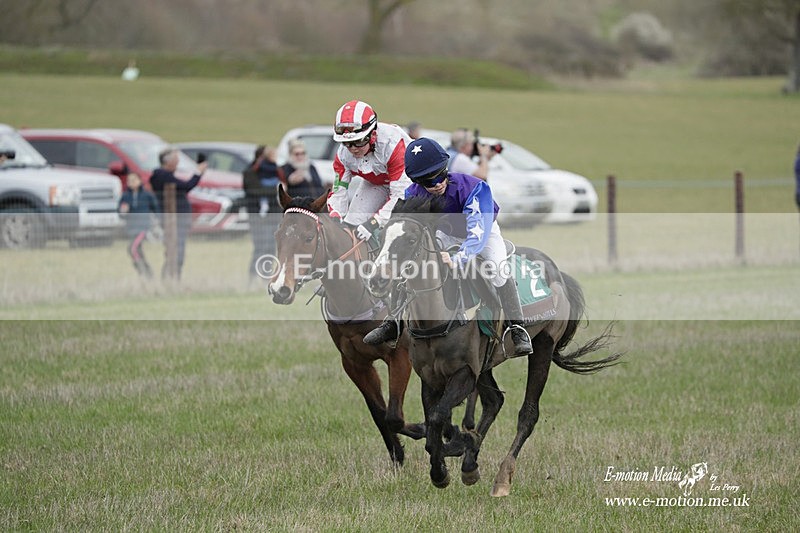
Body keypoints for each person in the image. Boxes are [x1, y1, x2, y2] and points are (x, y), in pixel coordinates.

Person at [364, 137, 533, 356]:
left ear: (446, 168)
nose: (436, 184)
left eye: (440, 175)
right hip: (446, 233)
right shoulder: (412, 194)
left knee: (497, 269)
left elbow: (477, 234)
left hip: (483, 232)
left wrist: (457, 258)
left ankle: (517, 328)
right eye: (427, 181)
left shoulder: (474, 188)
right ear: (416, 181)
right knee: (410, 265)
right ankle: (393, 322)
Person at [328, 99, 413, 242]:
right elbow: (338, 190)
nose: (353, 148)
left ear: (372, 135)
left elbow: (400, 194)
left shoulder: (393, 145)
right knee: (353, 225)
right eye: (347, 143)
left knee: (393, 232)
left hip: (410, 185)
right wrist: (336, 216)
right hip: (376, 183)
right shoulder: (343, 154)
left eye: (359, 141)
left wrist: (374, 223)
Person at [149, 148, 206, 280]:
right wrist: (198, 172)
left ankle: (171, 279)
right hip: (174, 219)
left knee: (174, 250)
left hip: (177, 219)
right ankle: (172, 279)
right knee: (176, 251)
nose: (178, 163)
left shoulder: (164, 175)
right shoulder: (163, 175)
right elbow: (186, 186)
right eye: (176, 160)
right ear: (168, 162)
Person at [243, 145, 282, 282]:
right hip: (257, 216)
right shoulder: (250, 172)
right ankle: (252, 277)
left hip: (272, 215)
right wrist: (276, 189)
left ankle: (265, 276)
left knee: (271, 247)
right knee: (260, 246)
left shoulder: (275, 171)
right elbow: (255, 191)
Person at [118, 172, 159, 278]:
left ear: (140, 181)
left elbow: (156, 209)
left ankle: (143, 272)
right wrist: (123, 211)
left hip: (143, 227)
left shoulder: (147, 195)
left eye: (134, 180)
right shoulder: (125, 196)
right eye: (129, 181)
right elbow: (120, 212)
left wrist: (156, 222)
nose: (131, 183)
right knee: (137, 251)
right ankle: (147, 273)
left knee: (132, 248)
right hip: (131, 227)